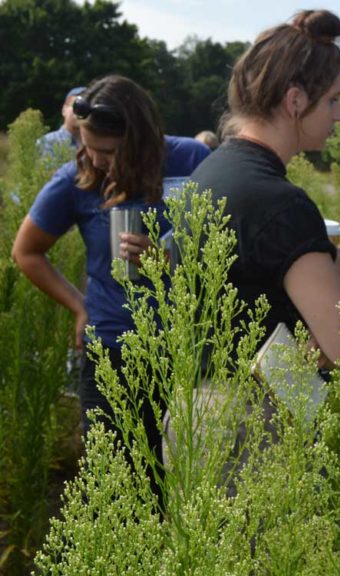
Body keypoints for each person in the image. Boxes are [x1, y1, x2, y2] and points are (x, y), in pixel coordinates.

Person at [12, 75, 210, 503]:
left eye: (107, 151)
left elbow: (227, 240)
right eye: (86, 145)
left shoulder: (191, 158)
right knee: (113, 487)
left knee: (182, 485)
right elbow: (26, 252)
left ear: (139, 139)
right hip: (112, 351)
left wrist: (167, 260)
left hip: (185, 350)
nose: (95, 159)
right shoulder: (77, 178)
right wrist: (80, 307)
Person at [190, 10, 340, 375]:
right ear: (295, 100)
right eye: (332, 99)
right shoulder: (281, 204)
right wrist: (335, 268)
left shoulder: (207, 172)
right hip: (255, 422)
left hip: (195, 411)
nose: (339, 115)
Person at [36, 86, 86, 156]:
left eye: (84, 108)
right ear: (64, 110)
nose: (80, 111)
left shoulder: (94, 144)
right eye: (76, 106)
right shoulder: (47, 142)